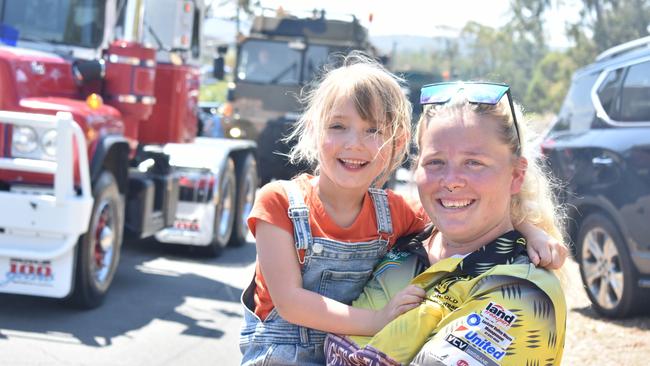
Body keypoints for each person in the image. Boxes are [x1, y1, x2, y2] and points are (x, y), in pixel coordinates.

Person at [239, 55, 566, 366]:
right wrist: (377, 321)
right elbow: (289, 302)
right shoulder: (281, 202)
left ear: (396, 144)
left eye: (373, 130)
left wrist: (529, 230)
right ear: (313, 129)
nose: (354, 143)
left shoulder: (395, 214)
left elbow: (466, 217)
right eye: (338, 126)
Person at [325, 81, 568, 366]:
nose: (451, 180)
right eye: (435, 162)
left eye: (474, 162)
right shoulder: (405, 239)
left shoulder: (522, 288)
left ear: (515, 175)